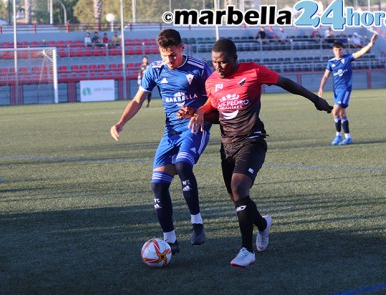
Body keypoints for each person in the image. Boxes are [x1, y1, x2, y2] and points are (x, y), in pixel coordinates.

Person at [181, 38, 332, 267]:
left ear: (235, 59)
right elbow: (217, 113)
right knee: (238, 199)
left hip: (252, 141)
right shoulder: (212, 82)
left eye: (222, 62)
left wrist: (315, 99)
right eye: (214, 62)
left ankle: (246, 250)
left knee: (239, 187)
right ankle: (262, 225)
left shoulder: (253, 72)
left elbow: (286, 83)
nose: (218, 67)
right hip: (227, 145)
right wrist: (197, 112)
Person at [110, 29, 212, 254]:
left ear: (181, 48)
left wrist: (197, 109)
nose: (170, 60)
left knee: (183, 165)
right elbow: (138, 99)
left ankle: (197, 223)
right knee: (157, 184)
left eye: (173, 55)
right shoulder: (154, 70)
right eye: (165, 55)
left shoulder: (199, 67)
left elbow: (214, 95)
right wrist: (121, 123)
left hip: (195, 127)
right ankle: (171, 240)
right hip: (171, 134)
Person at [318, 33, 378, 145]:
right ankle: (348, 137)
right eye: (336, 50)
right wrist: (321, 88)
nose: (338, 52)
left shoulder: (348, 58)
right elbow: (326, 75)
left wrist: (370, 44)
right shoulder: (331, 62)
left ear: (343, 50)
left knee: (335, 111)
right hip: (336, 90)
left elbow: (361, 52)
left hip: (345, 89)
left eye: (340, 50)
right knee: (342, 114)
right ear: (333, 50)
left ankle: (338, 136)